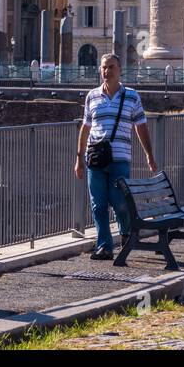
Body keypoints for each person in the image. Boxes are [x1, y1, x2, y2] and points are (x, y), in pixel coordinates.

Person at [74, 53, 158, 260]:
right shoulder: (91, 96)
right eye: (103, 67)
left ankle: (126, 232)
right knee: (98, 204)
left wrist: (149, 155)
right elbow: (85, 129)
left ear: (120, 70)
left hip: (120, 158)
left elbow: (141, 127)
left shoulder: (131, 96)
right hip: (95, 158)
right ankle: (105, 247)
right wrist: (79, 158)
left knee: (120, 201)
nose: (106, 71)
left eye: (111, 67)